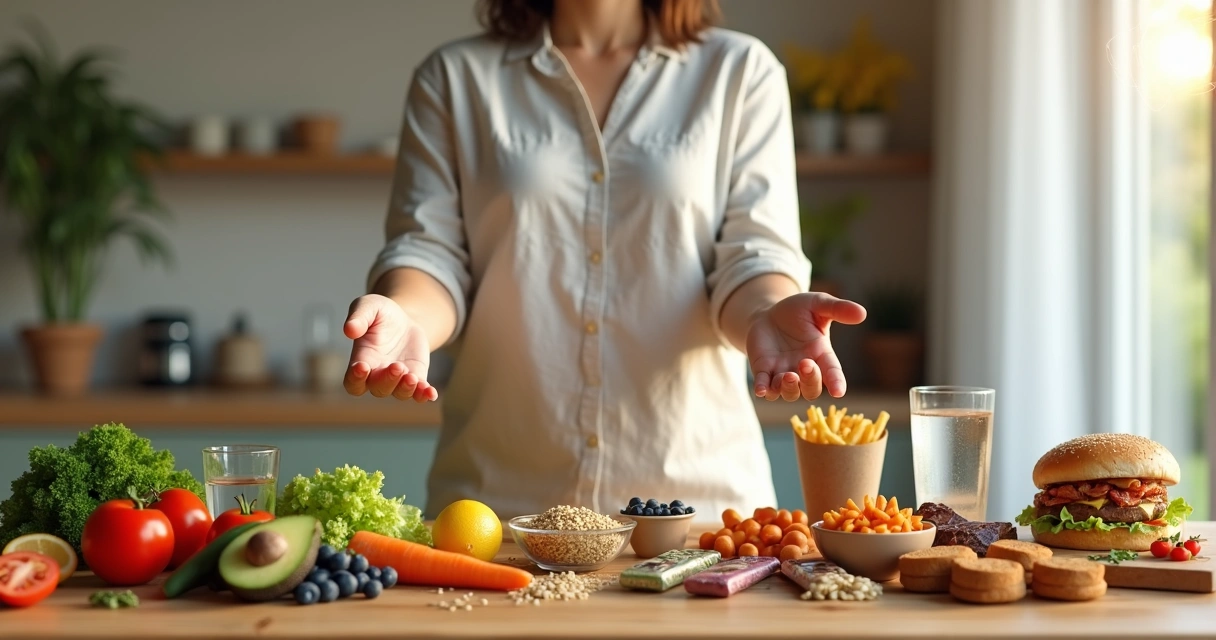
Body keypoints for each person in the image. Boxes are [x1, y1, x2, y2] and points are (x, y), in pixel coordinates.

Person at [343, 0, 867, 518]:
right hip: (498, 513)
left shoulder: (740, 72)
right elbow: (430, 254)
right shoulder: (455, 78)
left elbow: (754, 255)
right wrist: (407, 316)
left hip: (702, 517)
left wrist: (765, 314)